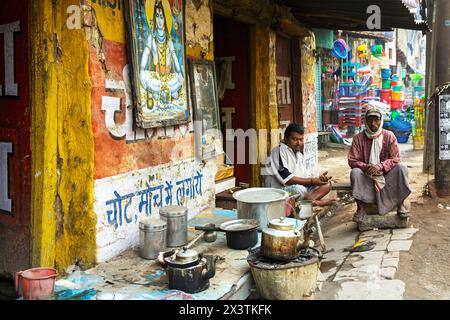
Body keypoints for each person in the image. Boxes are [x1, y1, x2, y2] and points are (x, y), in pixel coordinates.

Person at [348, 105, 412, 222]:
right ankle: (360, 208)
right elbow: (352, 160)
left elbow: (396, 158)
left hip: (386, 175)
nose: (373, 123)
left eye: (376, 120)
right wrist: (367, 167)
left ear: (381, 120)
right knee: (355, 172)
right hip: (367, 176)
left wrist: (380, 166)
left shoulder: (389, 136)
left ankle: (400, 205)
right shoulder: (358, 138)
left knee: (402, 168)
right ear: (365, 121)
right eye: (370, 120)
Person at [265, 123, 336, 207]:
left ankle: (306, 201)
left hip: (298, 189)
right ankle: (315, 202)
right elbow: (286, 178)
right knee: (300, 190)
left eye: (301, 139)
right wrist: (311, 181)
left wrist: (318, 180)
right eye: (294, 139)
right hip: (280, 191)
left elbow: (305, 177)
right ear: (286, 139)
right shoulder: (278, 151)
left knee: (326, 185)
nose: (298, 143)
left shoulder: (299, 155)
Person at [140, 0, 184, 113]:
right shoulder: (152, 37)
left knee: (178, 80)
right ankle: (159, 92)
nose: (160, 20)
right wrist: (141, 69)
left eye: (162, 17)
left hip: (168, 77)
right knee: (146, 78)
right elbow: (145, 52)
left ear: (165, 19)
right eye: (157, 16)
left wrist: (179, 72)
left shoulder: (168, 39)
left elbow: (174, 56)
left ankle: (162, 92)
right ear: (154, 18)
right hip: (157, 78)